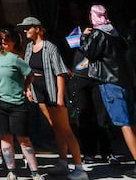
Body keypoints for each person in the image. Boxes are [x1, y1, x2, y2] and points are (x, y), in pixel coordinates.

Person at [79, 6, 136, 180]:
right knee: (134, 123)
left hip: (110, 81)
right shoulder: (115, 32)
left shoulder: (99, 34)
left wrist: (84, 37)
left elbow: (90, 53)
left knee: (125, 124)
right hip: (124, 80)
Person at [17, 17, 85, 180]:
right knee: (55, 127)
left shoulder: (50, 47)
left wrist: (60, 97)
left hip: (52, 90)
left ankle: (79, 167)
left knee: (65, 129)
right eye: (24, 28)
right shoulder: (28, 48)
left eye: (28, 28)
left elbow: (60, 72)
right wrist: (27, 88)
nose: (25, 31)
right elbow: (28, 70)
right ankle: (63, 161)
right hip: (38, 90)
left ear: (38, 29)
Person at [0, 32, 42, 180]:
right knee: (5, 139)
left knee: (23, 138)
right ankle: (12, 171)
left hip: (17, 103)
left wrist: (26, 88)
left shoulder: (13, 58)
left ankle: (35, 172)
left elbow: (29, 73)